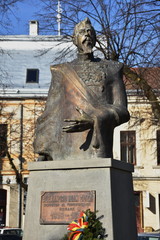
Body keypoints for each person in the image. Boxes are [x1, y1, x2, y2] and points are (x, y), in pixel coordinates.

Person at [34, 18, 130, 161]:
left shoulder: (113, 69)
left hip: (98, 146)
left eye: (90, 32)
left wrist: (95, 118)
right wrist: (43, 148)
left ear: (96, 39)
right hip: (66, 146)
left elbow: (123, 111)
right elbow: (51, 113)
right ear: (74, 39)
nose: (87, 35)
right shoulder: (61, 71)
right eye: (82, 32)